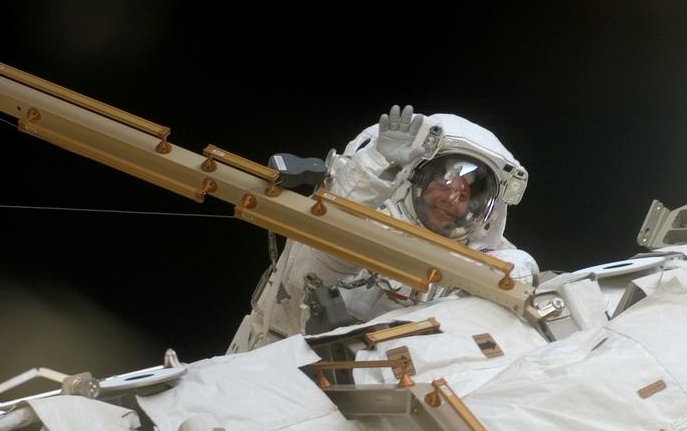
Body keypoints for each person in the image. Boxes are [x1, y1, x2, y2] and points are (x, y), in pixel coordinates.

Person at [227, 105, 538, 351]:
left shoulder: (480, 259)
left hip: (377, 386)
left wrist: (519, 270)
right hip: (280, 352)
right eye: (444, 184)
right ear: (416, 179)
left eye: (465, 195)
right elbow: (311, 272)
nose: (451, 199)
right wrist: (374, 167)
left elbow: (513, 279)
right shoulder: (362, 215)